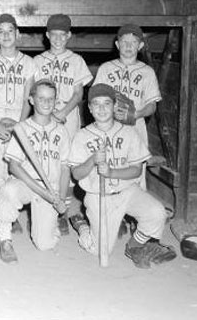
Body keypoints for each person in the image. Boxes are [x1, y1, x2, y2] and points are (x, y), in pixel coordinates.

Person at [68, 83, 176, 269]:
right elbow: (76, 174)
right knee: (98, 250)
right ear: (90, 108)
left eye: (107, 103)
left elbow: (136, 170)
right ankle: (82, 225)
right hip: (98, 196)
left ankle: (135, 245)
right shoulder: (82, 136)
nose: (102, 108)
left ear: (115, 105)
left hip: (127, 191)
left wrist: (112, 172)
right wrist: (92, 160)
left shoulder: (129, 133)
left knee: (157, 213)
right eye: (96, 104)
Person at [0, 80, 71, 263]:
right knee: (7, 190)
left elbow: (65, 168)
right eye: (41, 98)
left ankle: (42, 221)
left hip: (51, 187)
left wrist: (60, 198)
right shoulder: (22, 128)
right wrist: (44, 193)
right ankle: (5, 240)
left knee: (45, 244)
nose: (46, 103)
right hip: (26, 183)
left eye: (50, 99)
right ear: (31, 100)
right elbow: (14, 167)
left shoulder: (62, 131)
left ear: (56, 101)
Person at [33, 14, 93, 234]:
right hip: (44, 119)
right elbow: (33, 94)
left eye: (62, 35)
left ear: (69, 35)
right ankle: (43, 209)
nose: (58, 39)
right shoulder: (38, 61)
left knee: (65, 165)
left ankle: (62, 213)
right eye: (54, 34)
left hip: (67, 118)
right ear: (47, 35)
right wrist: (46, 114)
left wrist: (63, 111)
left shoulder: (76, 60)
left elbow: (79, 93)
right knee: (45, 161)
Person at [92, 24, 161, 188]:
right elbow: (94, 99)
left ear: (141, 46)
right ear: (117, 45)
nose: (129, 46)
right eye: (124, 42)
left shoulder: (147, 72)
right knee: (108, 172)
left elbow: (152, 106)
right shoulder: (106, 68)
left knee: (136, 176)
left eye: (134, 42)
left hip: (136, 127)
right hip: (108, 127)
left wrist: (136, 114)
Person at [0, 14, 36, 196]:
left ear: (17, 33)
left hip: (18, 118)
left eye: (10, 31)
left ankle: (10, 213)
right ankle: (3, 218)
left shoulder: (28, 62)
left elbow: (29, 98)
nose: (5, 35)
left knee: (16, 168)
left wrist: (19, 127)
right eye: (1, 32)